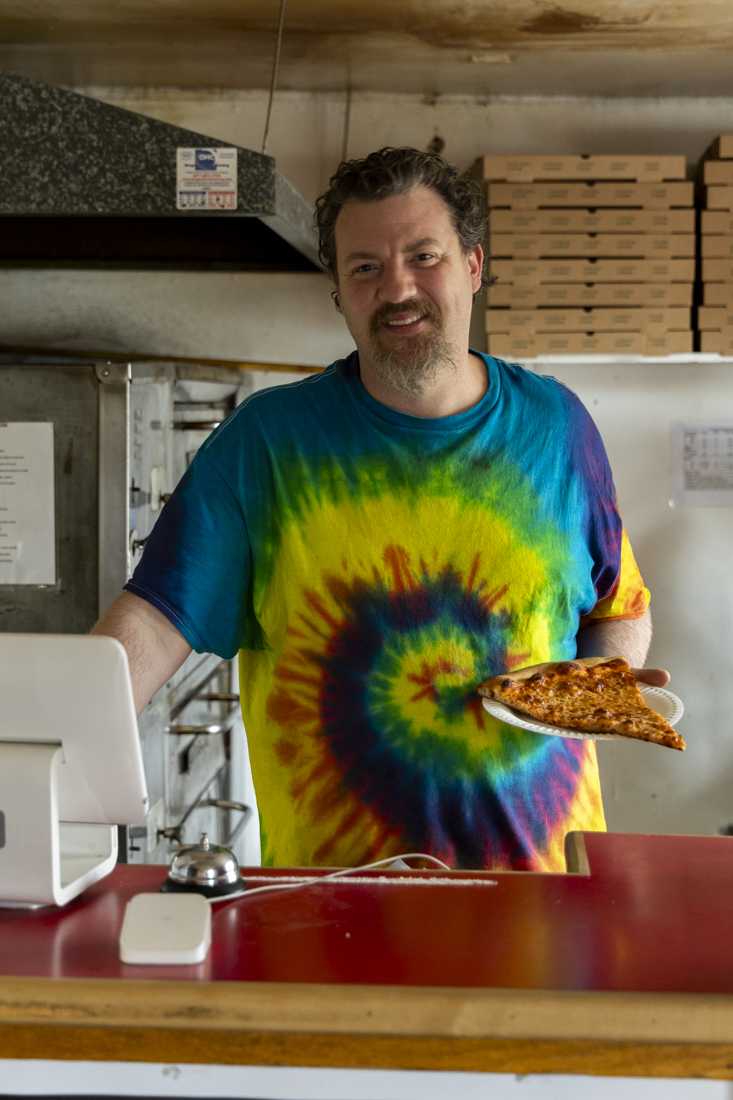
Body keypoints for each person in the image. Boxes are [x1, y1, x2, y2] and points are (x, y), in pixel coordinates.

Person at [93, 146, 667, 873]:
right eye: (365, 268)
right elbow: (152, 620)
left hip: (542, 896)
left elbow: (619, 608)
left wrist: (597, 684)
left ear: (472, 267)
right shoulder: (267, 446)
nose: (397, 288)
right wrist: (53, 752)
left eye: (423, 256)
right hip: (334, 905)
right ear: (339, 294)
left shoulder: (556, 427)